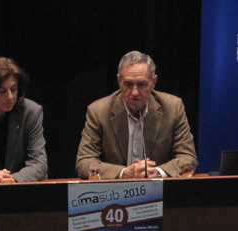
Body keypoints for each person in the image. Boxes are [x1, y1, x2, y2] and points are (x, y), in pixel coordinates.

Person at [76, 51, 197, 179]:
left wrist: (157, 172)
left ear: (153, 82)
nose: (134, 92)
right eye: (128, 84)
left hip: (158, 188)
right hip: (114, 190)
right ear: (119, 81)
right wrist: (124, 173)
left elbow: (188, 158)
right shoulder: (98, 111)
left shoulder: (173, 107)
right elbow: (84, 162)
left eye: (141, 84)